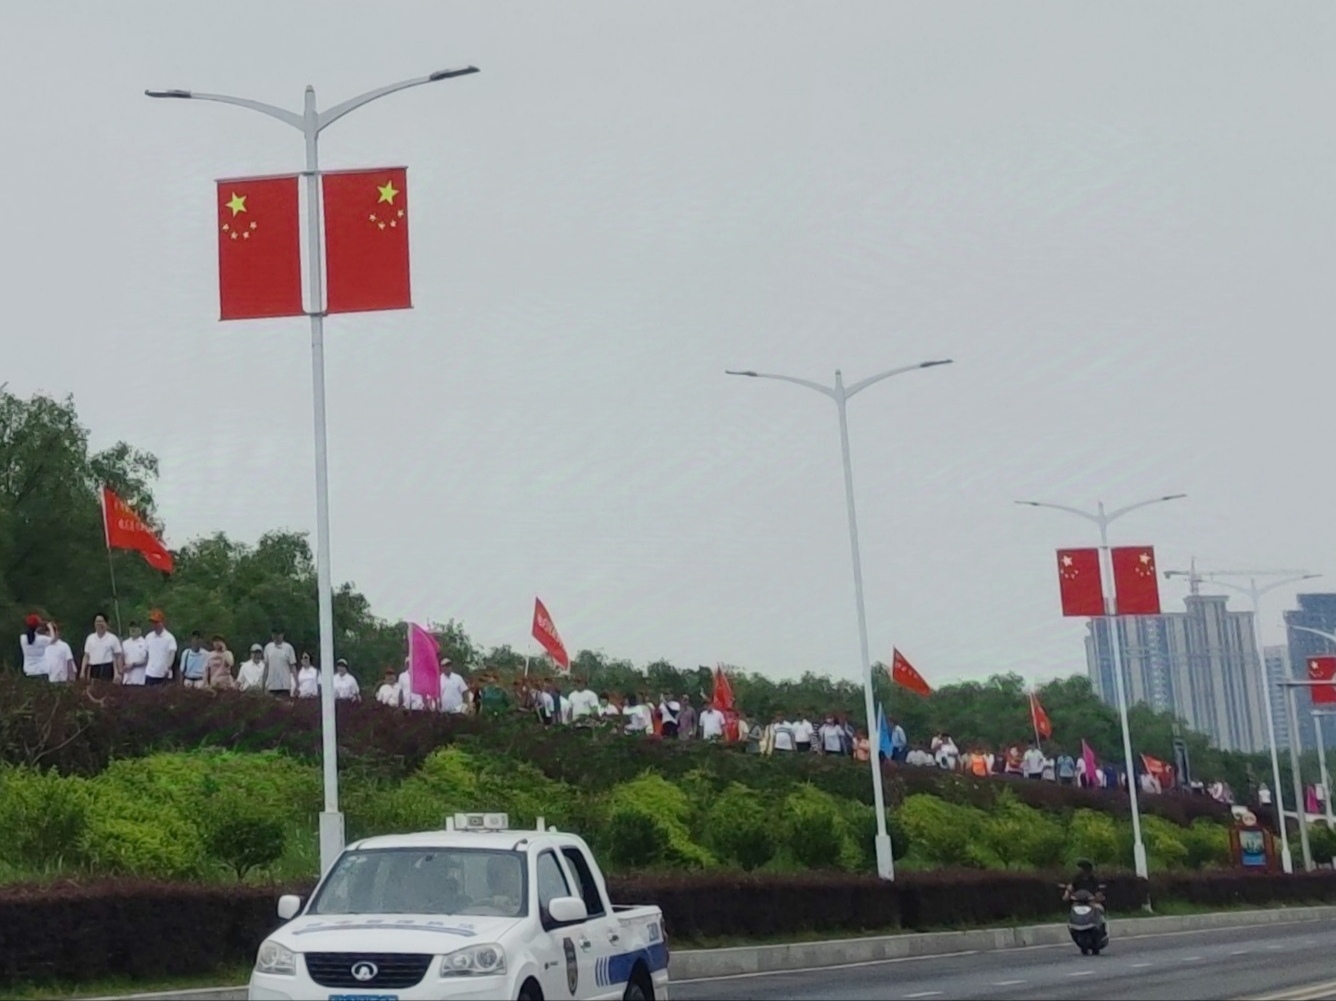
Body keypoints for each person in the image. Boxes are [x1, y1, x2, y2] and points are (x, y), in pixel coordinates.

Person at [81, 613, 122, 682]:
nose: (98, 624)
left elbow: (118, 656)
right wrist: (82, 671)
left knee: (107, 688)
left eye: (101, 621)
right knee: (93, 688)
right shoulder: (90, 638)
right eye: (97, 622)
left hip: (107, 668)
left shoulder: (113, 638)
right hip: (94, 668)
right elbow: (86, 656)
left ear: (106, 623)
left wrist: (119, 673)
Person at [143, 610, 177, 687]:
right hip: (150, 674)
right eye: (153, 622)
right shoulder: (148, 637)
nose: (154, 625)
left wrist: (168, 667)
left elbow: (172, 654)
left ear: (162, 623)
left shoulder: (169, 638)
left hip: (164, 675)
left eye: (156, 622)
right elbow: (147, 654)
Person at [263, 628, 297, 698]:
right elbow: (266, 667)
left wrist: (297, 683)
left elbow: (293, 667)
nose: (276, 636)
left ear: (282, 634)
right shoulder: (268, 648)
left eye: (278, 634)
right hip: (271, 686)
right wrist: (263, 684)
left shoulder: (288, 648)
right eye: (274, 634)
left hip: (284, 686)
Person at [120, 621, 149, 686]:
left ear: (140, 629)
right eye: (131, 627)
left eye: (135, 627)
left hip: (141, 679)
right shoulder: (125, 643)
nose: (133, 629)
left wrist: (133, 665)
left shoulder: (145, 643)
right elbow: (121, 659)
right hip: (127, 679)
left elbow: (147, 660)